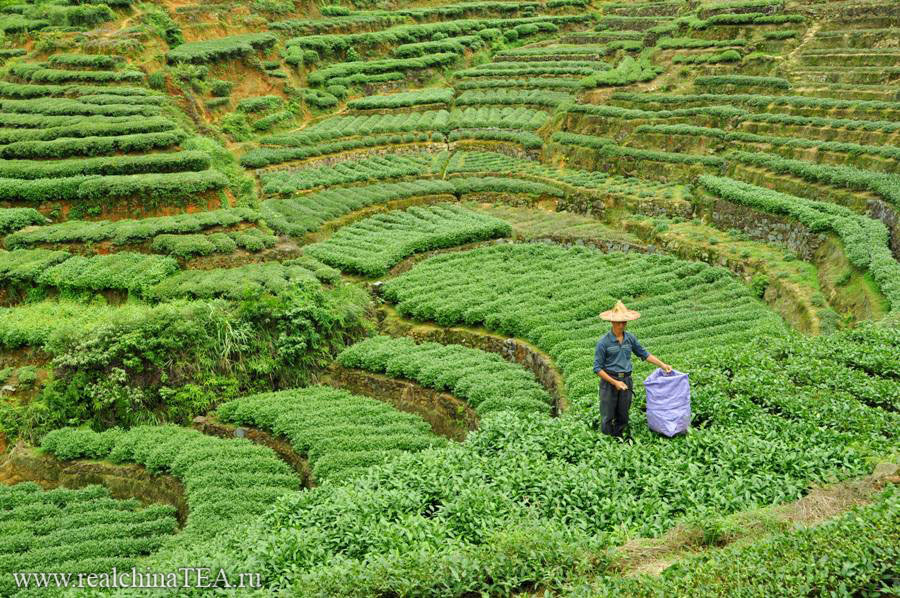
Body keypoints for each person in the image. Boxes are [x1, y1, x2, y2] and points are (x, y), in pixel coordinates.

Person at [593, 301, 671, 437]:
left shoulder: (630, 338)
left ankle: (619, 441)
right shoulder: (603, 342)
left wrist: (663, 365)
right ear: (612, 322)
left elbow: (644, 354)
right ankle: (606, 443)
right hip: (610, 382)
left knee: (623, 415)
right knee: (608, 416)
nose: (622, 325)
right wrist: (615, 383)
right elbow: (597, 368)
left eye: (624, 322)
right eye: (619, 322)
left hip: (627, 380)